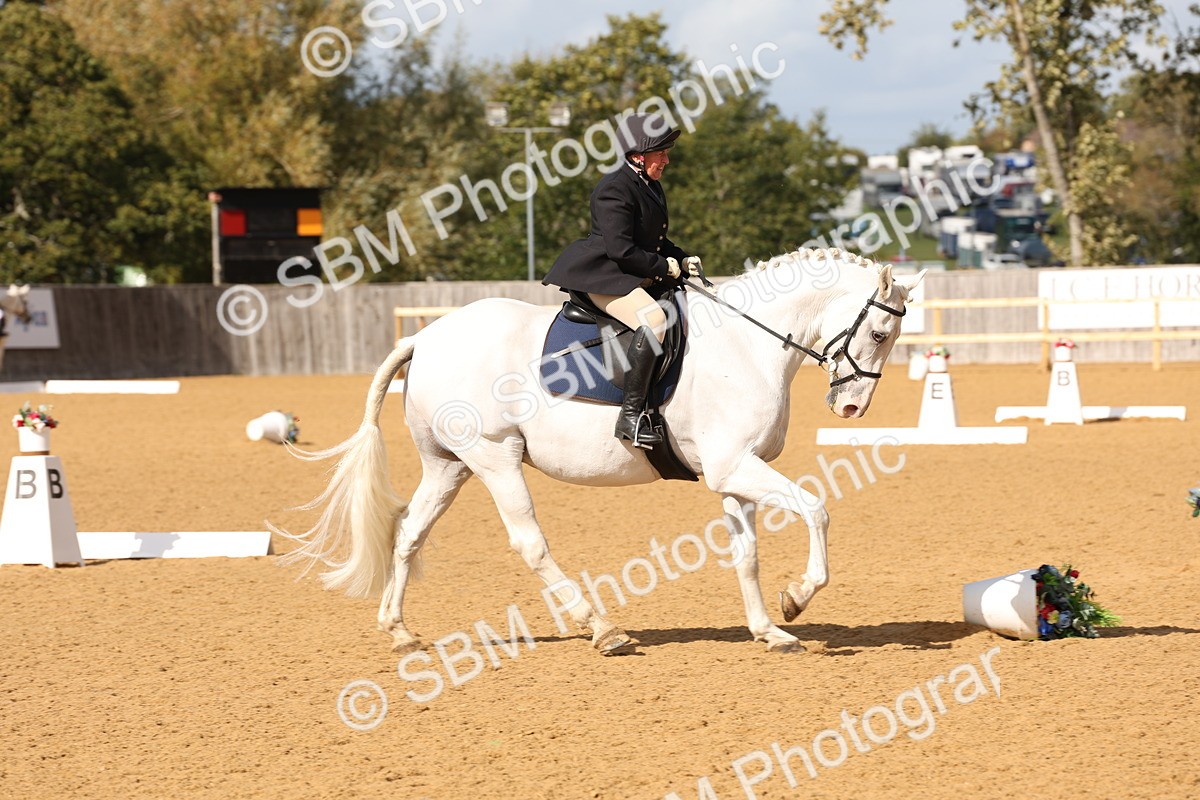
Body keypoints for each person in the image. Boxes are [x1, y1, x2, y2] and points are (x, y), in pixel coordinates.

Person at [542, 113, 702, 449]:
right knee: (655, 319)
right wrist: (663, 267)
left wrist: (682, 258)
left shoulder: (650, 185)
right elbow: (621, 248)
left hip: (629, 269)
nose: (667, 160)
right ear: (639, 155)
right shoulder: (614, 187)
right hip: (603, 274)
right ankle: (631, 416)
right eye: (662, 153)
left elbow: (653, 242)